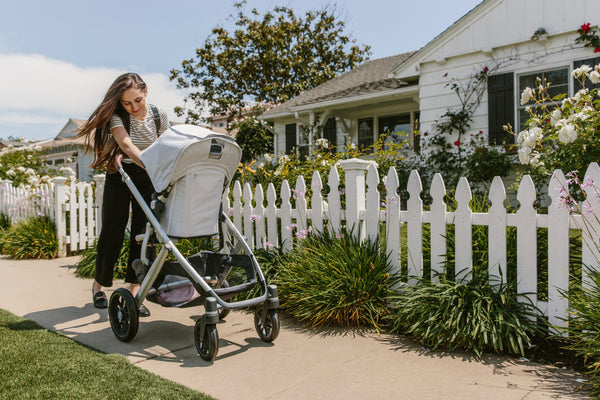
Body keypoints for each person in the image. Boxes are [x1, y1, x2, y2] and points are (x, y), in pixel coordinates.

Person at [77, 73, 170, 316]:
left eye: (137, 100)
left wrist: (159, 170)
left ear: (146, 91)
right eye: (127, 103)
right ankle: (99, 285)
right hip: (121, 172)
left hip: (148, 176)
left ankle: (134, 290)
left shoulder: (159, 115)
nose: (134, 107)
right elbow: (126, 144)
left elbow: (164, 145)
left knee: (143, 234)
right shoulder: (118, 116)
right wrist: (151, 166)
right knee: (112, 231)